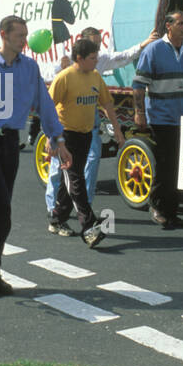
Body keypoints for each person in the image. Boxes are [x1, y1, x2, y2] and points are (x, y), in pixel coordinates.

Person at [0, 15, 71, 296]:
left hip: (11, 143)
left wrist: (57, 139)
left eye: (25, 35)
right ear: (4, 35)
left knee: (2, 210)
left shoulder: (29, 68)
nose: (25, 40)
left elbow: (44, 105)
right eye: (19, 35)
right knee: (2, 210)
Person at [43, 27, 159, 215]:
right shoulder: (66, 69)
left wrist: (118, 132)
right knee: (60, 168)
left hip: (90, 122)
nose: (98, 50)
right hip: (65, 126)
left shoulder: (97, 69)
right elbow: (48, 103)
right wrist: (51, 135)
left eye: (99, 44)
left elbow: (121, 60)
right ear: (82, 51)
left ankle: (83, 205)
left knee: (89, 162)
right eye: (94, 45)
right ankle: (53, 207)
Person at [47, 38, 124, 247]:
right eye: (92, 58)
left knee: (70, 179)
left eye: (96, 57)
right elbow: (47, 108)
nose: (96, 60)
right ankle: (89, 225)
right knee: (76, 179)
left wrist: (117, 130)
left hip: (85, 135)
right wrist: (50, 138)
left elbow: (107, 103)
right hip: (65, 136)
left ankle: (57, 218)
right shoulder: (64, 78)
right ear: (79, 58)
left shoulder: (95, 76)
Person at [132, 10, 183, 229]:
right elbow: (138, 85)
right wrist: (140, 112)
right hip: (161, 118)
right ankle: (157, 207)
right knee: (165, 165)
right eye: (180, 23)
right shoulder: (153, 50)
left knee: (180, 165)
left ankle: (171, 210)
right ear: (168, 26)